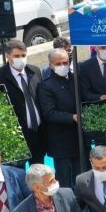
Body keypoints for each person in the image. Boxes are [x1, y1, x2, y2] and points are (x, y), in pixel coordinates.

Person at [0, 39, 47, 164]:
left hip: (38, 133)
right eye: (17, 56)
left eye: (23, 55)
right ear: (7, 56)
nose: (21, 59)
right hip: (16, 138)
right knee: (17, 172)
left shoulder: (34, 71)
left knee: (38, 170)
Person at [39, 48, 82, 188]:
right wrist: (72, 117)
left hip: (80, 138)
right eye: (58, 64)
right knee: (64, 179)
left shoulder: (76, 79)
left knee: (81, 176)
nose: (63, 66)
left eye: (65, 62)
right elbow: (49, 113)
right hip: (61, 142)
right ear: (50, 65)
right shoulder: (45, 86)